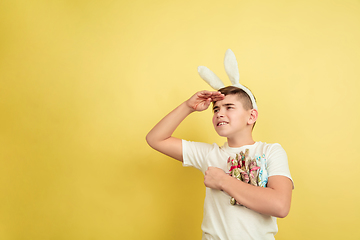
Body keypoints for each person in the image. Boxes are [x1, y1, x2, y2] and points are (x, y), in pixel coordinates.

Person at [146, 51, 293, 240]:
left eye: (229, 107)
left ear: (252, 116)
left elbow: (280, 205)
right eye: (216, 109)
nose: (219, 114)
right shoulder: (209, 155)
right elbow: (156, 139)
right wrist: (188, 107)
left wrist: (223, 180)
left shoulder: (271, 151)